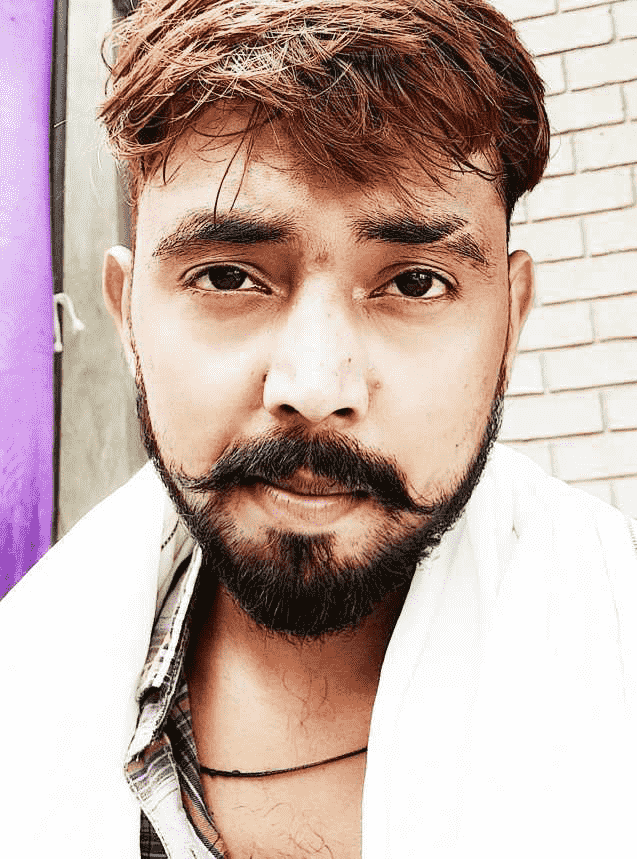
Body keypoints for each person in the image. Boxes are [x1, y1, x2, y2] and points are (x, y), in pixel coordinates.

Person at [2, 0, 637, 856]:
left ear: (510, 323)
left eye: (414, 282)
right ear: (126, 317)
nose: (313, 386)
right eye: (227, 276)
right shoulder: (21, 688)